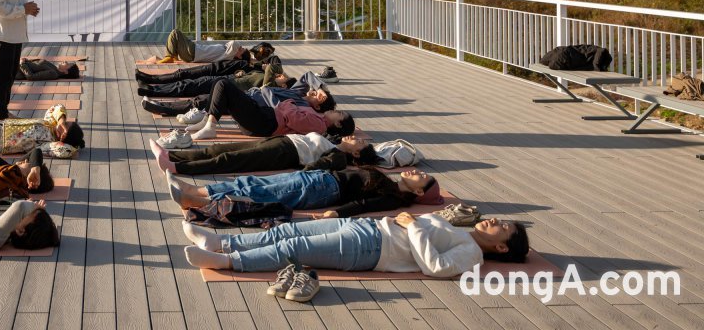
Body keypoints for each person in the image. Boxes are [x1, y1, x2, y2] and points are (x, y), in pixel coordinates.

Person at [180, 214, 529, 278]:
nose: (495, 221)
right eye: (499, 218)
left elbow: (435, 267)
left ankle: (225, 261)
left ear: (501, 248)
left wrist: (413, 226)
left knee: (295, 249)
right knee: (288, 232)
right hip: (366, 227)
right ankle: (223, 240)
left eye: (503, 227)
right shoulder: (464, 232)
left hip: (371, 249)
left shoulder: (471, 255)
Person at [166, 168, 441, 216]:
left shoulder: (391, 197)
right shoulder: (388, 180)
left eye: (423, 178)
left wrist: (336, 213)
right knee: (254, 182)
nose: (417, 172)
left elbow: (362, 204)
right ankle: (197, 190)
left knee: (258, 193)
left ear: (418, 193)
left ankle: (197, 201)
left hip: (324, 190)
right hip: (318, 177)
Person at [145, 78, 344, 141]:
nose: (316, 93)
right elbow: (307, 77)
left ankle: (209, 124)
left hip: (265, 122)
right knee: (217, 85)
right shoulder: (307, 105)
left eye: (339, 114)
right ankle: (207, 121)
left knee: (223, 84)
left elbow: (293, 118)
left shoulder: (316, 121)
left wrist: (287, 105)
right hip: (262, 115)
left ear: (336, 122)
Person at [149, 131, 380, 175]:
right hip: (281, 142)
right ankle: (172, 156)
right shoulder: (334, 144)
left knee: (230, 160)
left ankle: (178, 168)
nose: (355, 138)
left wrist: (301, 168)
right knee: (218, 149)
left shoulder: (338, 157)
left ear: (357, 155)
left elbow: (314, 168)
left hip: (285, 152)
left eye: (359, 143)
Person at [137, 55, 288, 99]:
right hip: (228, 79)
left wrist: (279, 73)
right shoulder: (265, 75)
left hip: (226, 86)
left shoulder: (270, 87)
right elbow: (272, 60)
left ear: (284, 86)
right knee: (188, 82)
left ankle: (152, 90)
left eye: (282, 77)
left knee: (188, 86)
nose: (279, 75)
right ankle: (152, 86)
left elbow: (272, 65)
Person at [135, 43, 276, 82]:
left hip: (211, 74)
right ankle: (152, 79)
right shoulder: (239, 61)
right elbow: (253, 60)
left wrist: (260, 62)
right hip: (211, 69)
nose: (241, 48)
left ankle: (153, 82)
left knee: (183, 80)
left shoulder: (241, 63)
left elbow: (240, 50)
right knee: (182, 74)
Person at [138, 30, 267, 65]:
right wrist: (252, 58)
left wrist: (246, 51)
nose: (240, 48)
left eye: (241, 50)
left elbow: (234, 42)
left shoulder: (230, 53)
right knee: (179, 38)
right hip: (194, 50)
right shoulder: (229, 54)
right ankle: (172, 55)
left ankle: (169, 56)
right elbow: (248, 59)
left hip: (193, 51)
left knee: (175, 33)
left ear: (237, 55)